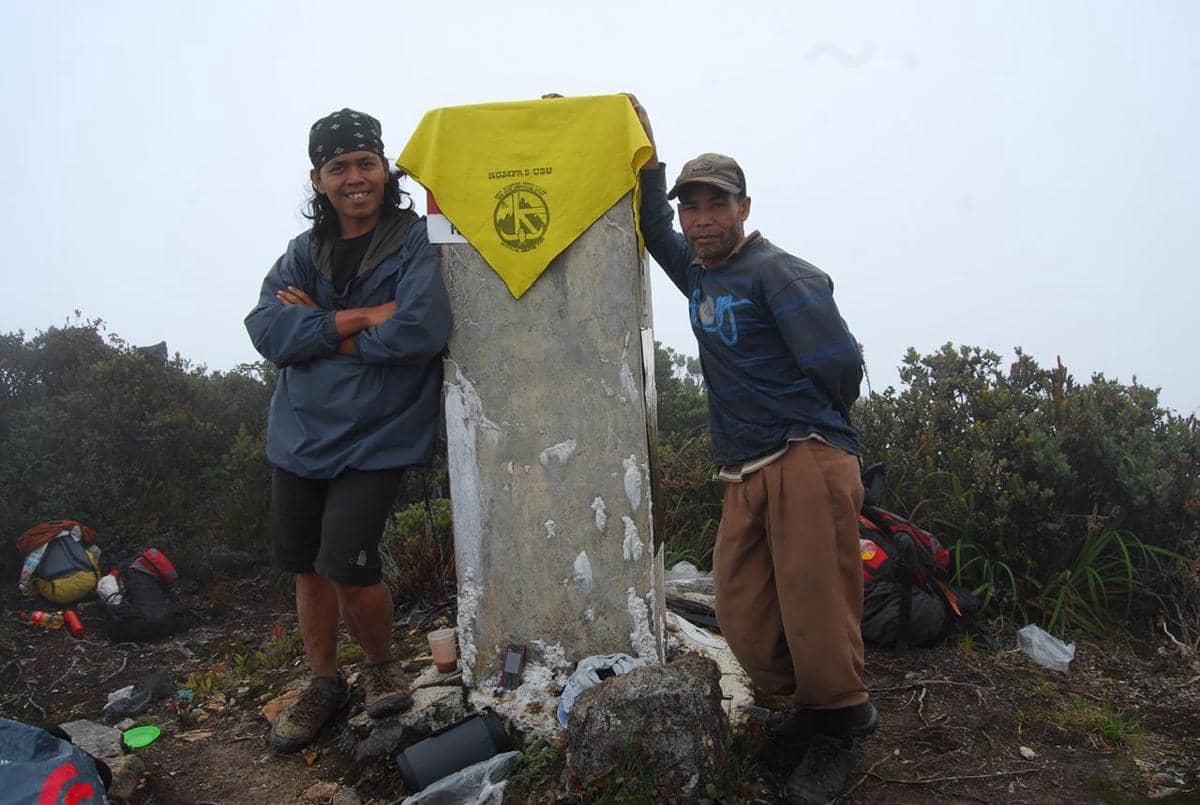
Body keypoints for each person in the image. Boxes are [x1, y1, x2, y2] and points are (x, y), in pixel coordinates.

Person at [628, 95, 875, 803]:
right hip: (744, 465)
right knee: (740, 604)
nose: (700, 220)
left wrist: (817, 441)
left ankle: (834, 728)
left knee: (817, 606)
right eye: (691, 207)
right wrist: (647, 155)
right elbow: (649, 226)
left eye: (715, 205)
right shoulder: (701, 272)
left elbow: (839, 364)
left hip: (803, 453)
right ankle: (822, 707)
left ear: (743, 207)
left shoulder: (777, 272)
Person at [245, 108, 452, 753]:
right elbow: (266, 330)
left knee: (347, 561)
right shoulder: (301, 252)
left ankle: (381, 663)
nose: (354, 177)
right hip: (299, 434)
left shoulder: (416, 240)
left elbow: (420, 329)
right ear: (318, 178)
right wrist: (360, 317)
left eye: (366, 163)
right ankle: (324, 681)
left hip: (378, 434)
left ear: (385, 167)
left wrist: (322, 329)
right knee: (305, 565)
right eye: (339, 167)